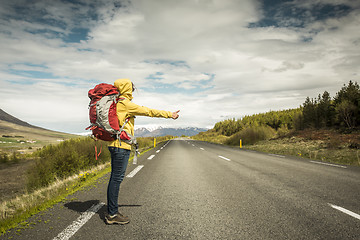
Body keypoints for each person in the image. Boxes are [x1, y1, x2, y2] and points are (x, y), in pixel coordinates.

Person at [105, 78, 180, 225]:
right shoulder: (125, 104)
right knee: (116, 179)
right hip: (121, 146)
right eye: (131, 88)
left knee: (114, 178)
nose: (133, 90)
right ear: (127, 89)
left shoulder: (115, 103)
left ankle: (112, 211)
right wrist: (169, 114)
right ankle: (112, 214)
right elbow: (148, 111)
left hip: (113, 144)